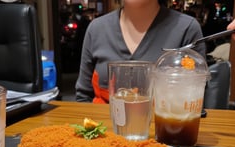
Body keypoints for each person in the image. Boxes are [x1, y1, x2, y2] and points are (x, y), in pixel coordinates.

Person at [75, 0, 205, 103]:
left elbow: (194, 101)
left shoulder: (187, 29)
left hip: (163, 132)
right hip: (104, 132)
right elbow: (83, 97)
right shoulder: (96, 29)